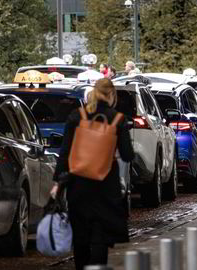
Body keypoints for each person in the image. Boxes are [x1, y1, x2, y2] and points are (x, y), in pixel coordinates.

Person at [50, 78, 134, 270]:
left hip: (78, 182)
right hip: (106, 183)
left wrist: (57, 182)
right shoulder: (117, 119)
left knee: (81, 235)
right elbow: (128, 156)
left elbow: (65, 152)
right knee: (101, 236)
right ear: (112, 95)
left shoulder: (76, 116)